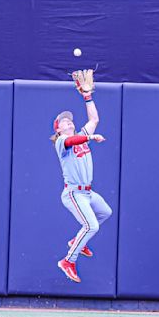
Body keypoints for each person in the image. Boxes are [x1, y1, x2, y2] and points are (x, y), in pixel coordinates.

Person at [50, 87, 112, 283]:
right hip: (74, 194)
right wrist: (91, 137)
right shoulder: (61, 141)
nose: (67, 121)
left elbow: (94, 120)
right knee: (92, 226)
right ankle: (68, 261)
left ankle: (77, 241)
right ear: (58, 129)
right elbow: (73, 140)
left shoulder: (81, 136)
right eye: (63, 121)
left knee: (105, 212)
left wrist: (87, 97)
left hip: (88, 193)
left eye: (69, 119)